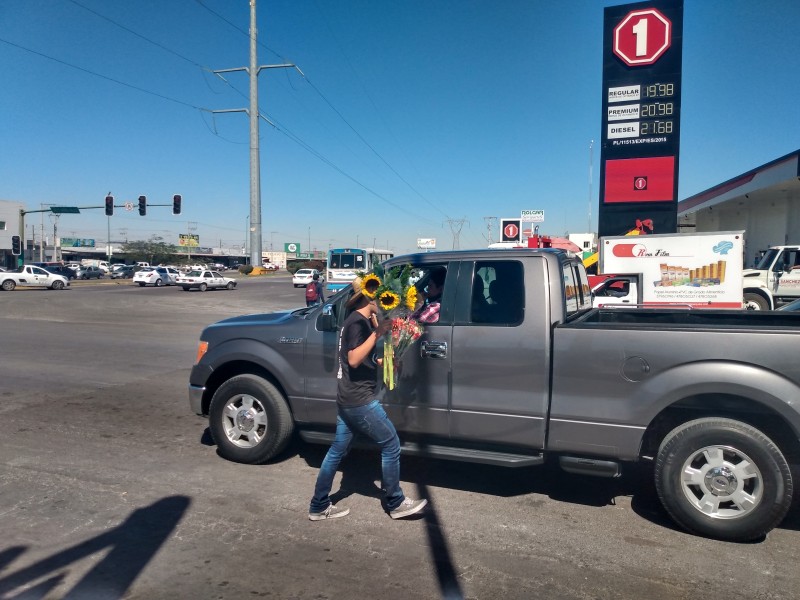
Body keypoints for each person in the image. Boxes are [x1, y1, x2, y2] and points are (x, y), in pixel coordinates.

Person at [308, 276, 428, 521]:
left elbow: (360, 360)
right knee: (391, 444)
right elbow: (352, 358)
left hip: (349, 396)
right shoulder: (357, 323)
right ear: (367, 297)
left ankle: (318, 505)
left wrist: (382, 361)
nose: (382, 300)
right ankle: (395, 502)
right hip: (358, 399)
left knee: (337, 451)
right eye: (377, 294)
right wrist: (378, 332)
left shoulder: (358, 321)